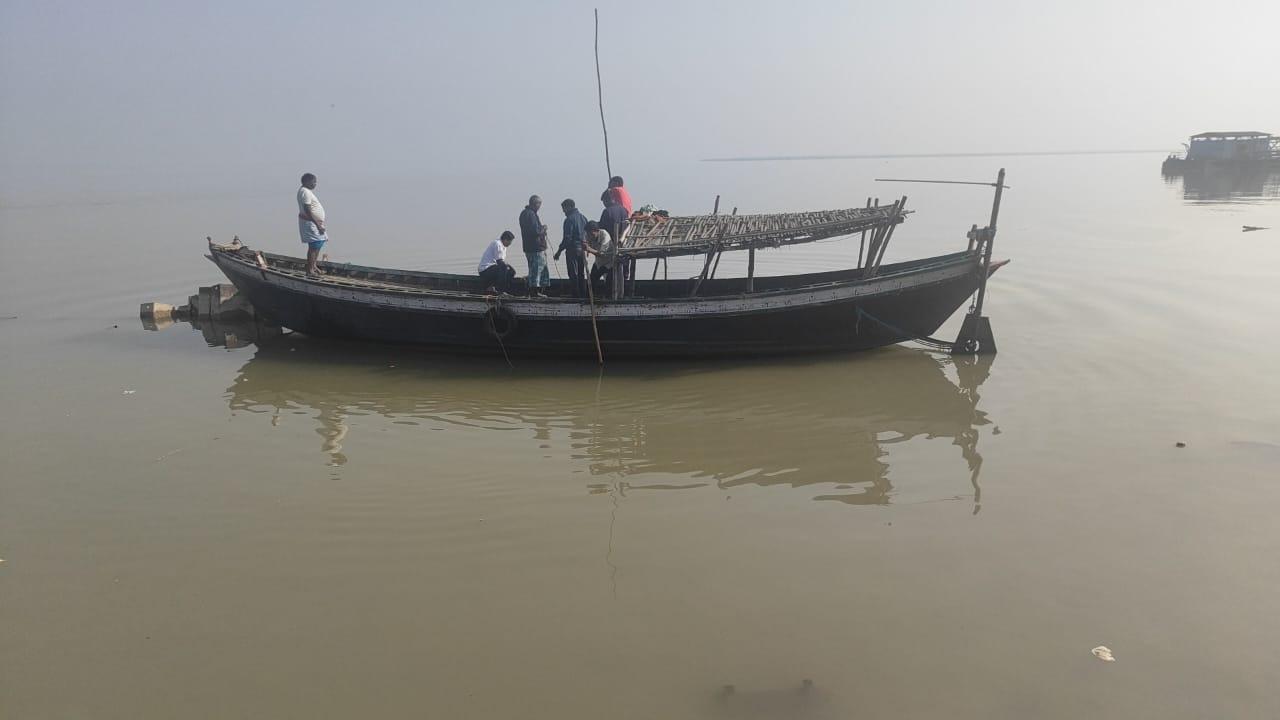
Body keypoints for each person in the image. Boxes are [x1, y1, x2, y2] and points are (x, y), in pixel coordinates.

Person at [554, 198, 588, 299]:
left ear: (569, 207)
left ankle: (575, 296)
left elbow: (567, 238)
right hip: (583, 249)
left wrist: (559, 251)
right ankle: (583, 295)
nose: (563, 211)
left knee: (573, 274)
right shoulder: (583, 218)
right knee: (581, 274)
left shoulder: (569, 220)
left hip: (573, 249)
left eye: (564, 209)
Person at [297, 173, 328, 276]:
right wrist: (317, 224)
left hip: (315, 222)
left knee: (319, 242)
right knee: (314, 246)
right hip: (310, 223)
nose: (315, 184)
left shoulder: (307, 191)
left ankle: (314, 266)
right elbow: (308, 209)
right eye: (313, 182)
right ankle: (310, 270)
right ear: (306, 182)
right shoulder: (305, 192)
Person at [518, 195, 549, 298]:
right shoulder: (530, 214)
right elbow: (534, 231)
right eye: (538, 204)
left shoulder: (525, 213)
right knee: (536, 270)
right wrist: (543, 229)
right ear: (534, 203)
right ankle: (534, 293)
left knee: (534, 270)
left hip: (529, 248)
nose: (540, 206)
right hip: (535, 248)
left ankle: (535, 291)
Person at [599, 189, 631, 286]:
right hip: (624, 244)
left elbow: (602, 229)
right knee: (624, 270)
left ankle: (611, 293)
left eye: (604, 202)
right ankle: (625, 290)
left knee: (610, 270)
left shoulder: (607, 212)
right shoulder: (624, 210)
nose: (604, 204)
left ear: (608, 200)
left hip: (612, 244)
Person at [584, 220, 616, 292]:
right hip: (598, 262)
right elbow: (586, 243)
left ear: (597, 231)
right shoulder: (588, 235)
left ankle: (608, 299)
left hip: (609, 262)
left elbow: (602, 254)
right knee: (591, 281)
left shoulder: (605, 236)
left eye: (591, 234)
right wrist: (585, 245)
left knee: (609, 283)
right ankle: (589, 298)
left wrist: (589, 249)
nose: (589, 236)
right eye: (588, 234)